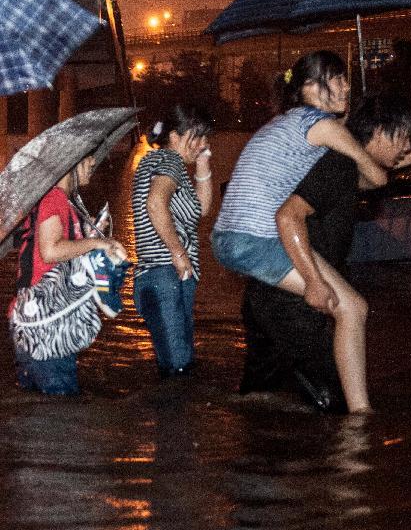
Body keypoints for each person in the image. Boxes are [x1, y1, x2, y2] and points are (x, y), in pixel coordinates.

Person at [240, 92, 411, 411]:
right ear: (381, 131)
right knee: (333, 404)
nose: (408, 146)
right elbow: (287, 216)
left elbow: (355, 184)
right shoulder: (336, 163)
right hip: (287, 305)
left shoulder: (341, 163)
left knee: (258, 403)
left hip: (267, 297)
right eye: (404, 138)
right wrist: (315, 281)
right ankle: (357, 439)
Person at [212, 50, 391, 414]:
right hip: (257, 239)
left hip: (227, 237)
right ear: (309, 86)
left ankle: (288, 391)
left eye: (345, 78)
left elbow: (337, 175)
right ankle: (361, 417)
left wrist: (408, 158)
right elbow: (374, 176)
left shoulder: (281, 124)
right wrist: (313, 282)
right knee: (353, 309)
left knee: (341, 310)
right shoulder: (323, 126)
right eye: (336, 78)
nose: (346, 86)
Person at [10, 155, 127, 396]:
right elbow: (51, 250)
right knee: (60, 413)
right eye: (88, 163)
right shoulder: (54, 198)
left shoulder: (58, 200)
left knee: (39, 411)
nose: (92, 168)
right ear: (72, 163)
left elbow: (53, 248)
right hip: (48, 324)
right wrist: (97, 243)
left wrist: (87, 234)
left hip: (35, 322)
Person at [132, 104, 213, 378]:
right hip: (164, 272)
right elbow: (156, 204)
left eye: (205, 137)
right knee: (178, 367)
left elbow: (201, 209)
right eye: (197, 136)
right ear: (175, 137)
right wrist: (178, 253)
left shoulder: (163, 163)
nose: (204, 143)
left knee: (178, 363)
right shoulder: (170, 161)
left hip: (168, 275)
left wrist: (202, 165)